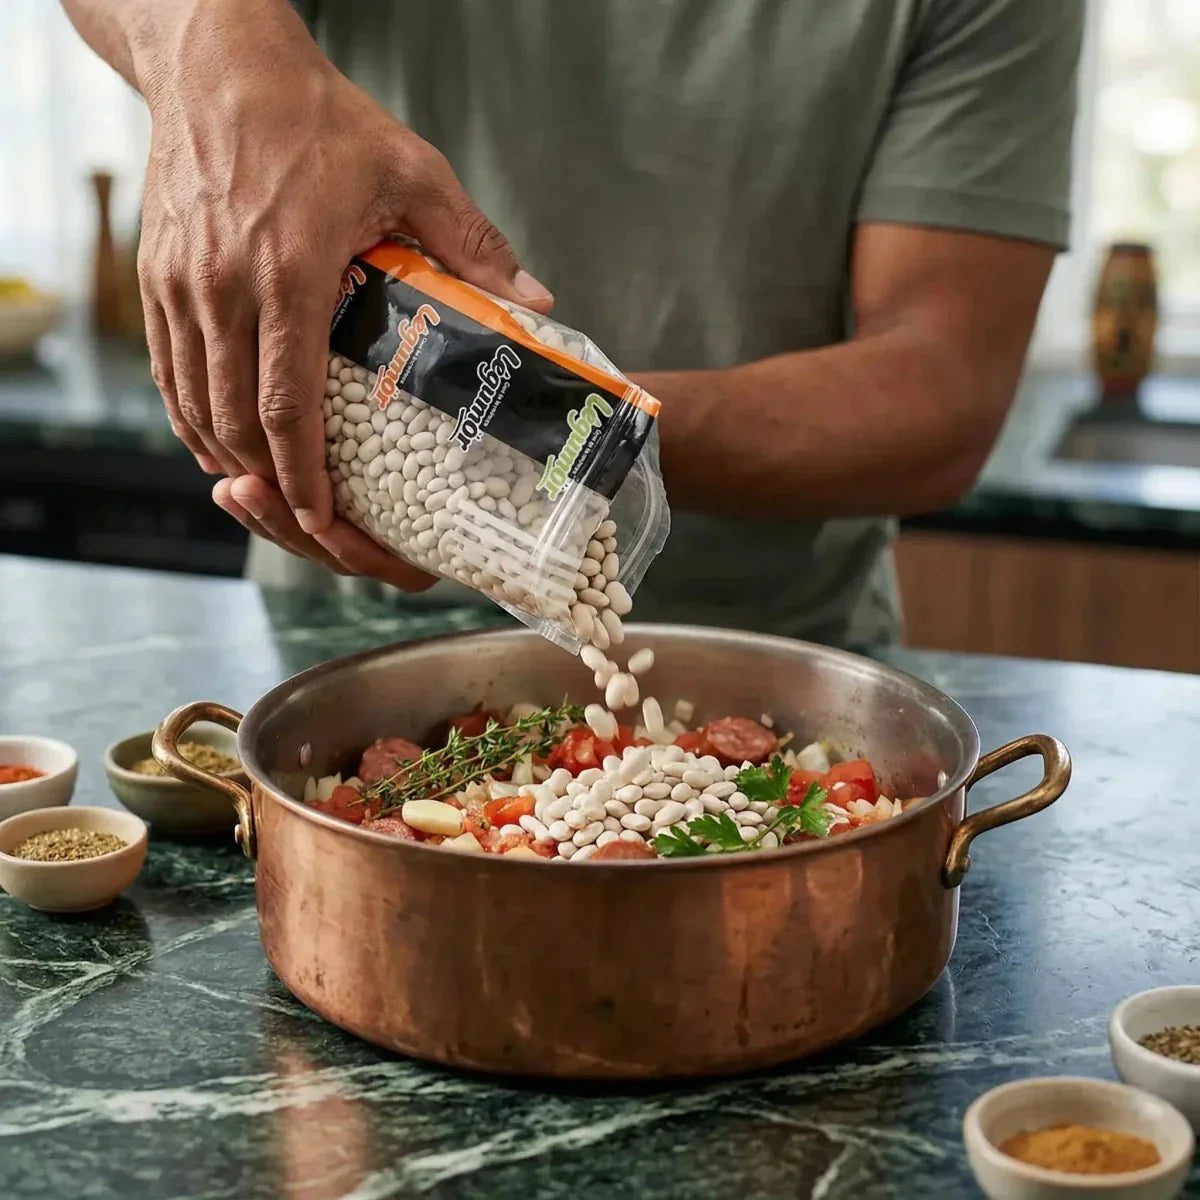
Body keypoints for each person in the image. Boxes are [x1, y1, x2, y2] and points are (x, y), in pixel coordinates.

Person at [64, 0, 1083, 645]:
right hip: (348, 625)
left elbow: (938, 386)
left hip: (773, 653)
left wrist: (542, 427)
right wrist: (217, 61)